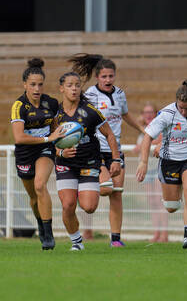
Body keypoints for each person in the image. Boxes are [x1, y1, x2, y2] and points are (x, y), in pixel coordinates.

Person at [69, 53, 145, 246]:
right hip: (96, 149)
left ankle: (116, 240)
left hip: (115, 150)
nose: (108, 80)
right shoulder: (89, 96)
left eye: (111, 76)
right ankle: (82, 192)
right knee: (105, 189)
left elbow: (125, 115)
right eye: (104, 76)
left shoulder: (120, 94)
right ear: (97, 78)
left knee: (117, 193)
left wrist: (143, 130)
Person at [54, 71, 121, 251]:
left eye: (77, 85)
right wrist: (60, 151)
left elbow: (109, 135)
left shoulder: (90, 111)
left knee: (89, 207)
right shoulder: (55, 113)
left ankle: (84, 190)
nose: (74, 89)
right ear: (61, 89)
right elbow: (48, 140)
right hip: (65, 164)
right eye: (69, 85)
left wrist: (115, 159)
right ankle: (77, 242)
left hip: (89, 163)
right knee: (68, 204)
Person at [136, 80, 187, 250]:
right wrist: (143, 162)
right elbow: (148, 136)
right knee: (171, 207)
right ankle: (179, 188)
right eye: (181, 107)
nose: (184, 111)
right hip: (169, 161)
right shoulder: (167, 113)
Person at [11, 58, 64, 250]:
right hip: (25, 152)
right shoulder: (19, 106)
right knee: (33, 198)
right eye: (32, 84)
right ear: (24, 84)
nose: (36, 88)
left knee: (40, 185)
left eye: (40, 84)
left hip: (45, 150)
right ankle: (41, 225)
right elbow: (19, 137)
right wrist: (47, 139)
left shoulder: (51, 103)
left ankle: (49, 235)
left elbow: (55, 127)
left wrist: (57, 142)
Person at [133, 103, 168, 242]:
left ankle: (165, 234)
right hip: (146, 170)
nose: (148, 115)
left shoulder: (159, 128)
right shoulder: (143, 130)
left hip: (158, 168)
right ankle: (156, 233)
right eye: (145, 112)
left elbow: (156, 141)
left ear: (155, 114)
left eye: (151, 112)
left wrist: (140, 146)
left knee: (160, 202)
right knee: (152, 202)